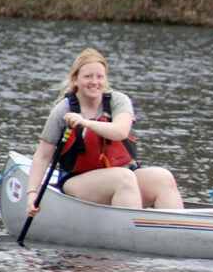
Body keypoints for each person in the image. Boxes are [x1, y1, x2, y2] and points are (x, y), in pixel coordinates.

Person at [25, 48, 183, 218]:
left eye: (100, 77)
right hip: (78, 180)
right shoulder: (63, 110)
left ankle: (176, 236)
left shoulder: (119, 101)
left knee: (163, 177)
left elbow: (121, 132)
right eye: (88, 77)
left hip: (121, 177)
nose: (95, 82)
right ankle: (131, 235)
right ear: (75, 79)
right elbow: (43, 155)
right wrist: (32, 194)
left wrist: (86, 122)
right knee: (123, 178)